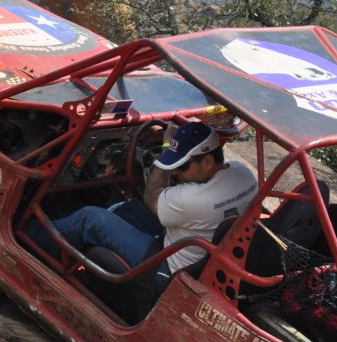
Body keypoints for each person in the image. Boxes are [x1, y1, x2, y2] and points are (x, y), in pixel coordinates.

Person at [35, 120, 258, 282]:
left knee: (90, 218)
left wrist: (164, 156)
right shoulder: (244, 174)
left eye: (181, 166)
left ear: (208, 161)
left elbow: (152, 195)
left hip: (167, 271)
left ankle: (31, 241)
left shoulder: (193, 199)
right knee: (130, 209)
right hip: (200, 259)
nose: (177, 173)